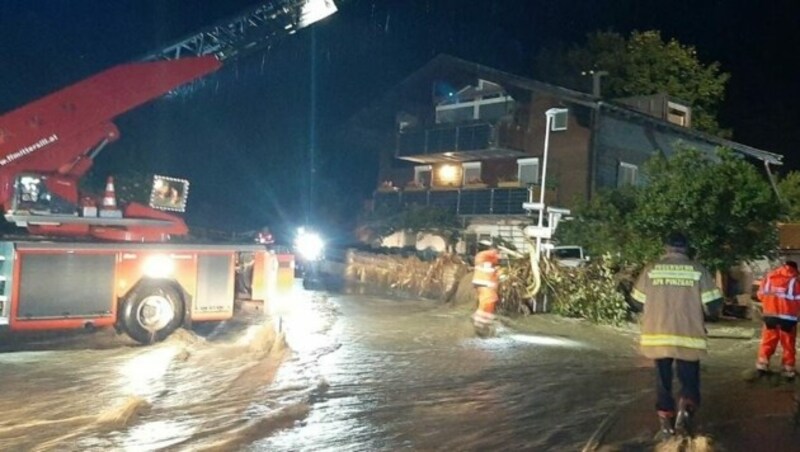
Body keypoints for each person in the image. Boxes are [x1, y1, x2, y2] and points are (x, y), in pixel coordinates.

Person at [630, 232, 722, 439]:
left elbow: (636, 302)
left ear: (666, 248)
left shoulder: (651, 269)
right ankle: (686, 409)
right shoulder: (698, 270)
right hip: (688, 334)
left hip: (658, 335)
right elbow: (714, 305)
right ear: (686, 248)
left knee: (663, 379)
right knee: (689, 377)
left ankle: (665, 420)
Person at [755, 260, 800, 379]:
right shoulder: (795, 280)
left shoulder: (769, 277)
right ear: (795, 269)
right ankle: (788, 369)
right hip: (788, 318)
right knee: (788, 344)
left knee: (768, 341)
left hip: (770, 316)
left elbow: (760, 295)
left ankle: (762, 365)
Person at [472, 240, 501, 337]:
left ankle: (483, 322)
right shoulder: (486, 256)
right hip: (485, 283)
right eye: (497, 252)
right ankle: (480, 323)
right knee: (487, 301)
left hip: (483, 283)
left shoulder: (482, 257)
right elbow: (493, 264)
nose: (499, 255)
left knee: (487, 302)